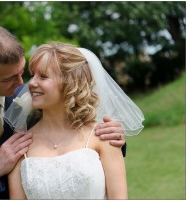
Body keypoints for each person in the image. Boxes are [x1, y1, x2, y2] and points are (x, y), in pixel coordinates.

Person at [0, 24, 126, 199]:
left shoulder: (31, 98)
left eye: (22, 73)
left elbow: (79, 139)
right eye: (9, 79)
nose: (23, 84)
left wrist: (114, 136)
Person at [8, 42, 144, 199]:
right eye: (32, 75)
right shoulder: (20, 145)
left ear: (69, 83)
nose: (31, 83)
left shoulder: (103, 136)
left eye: (43, 76)